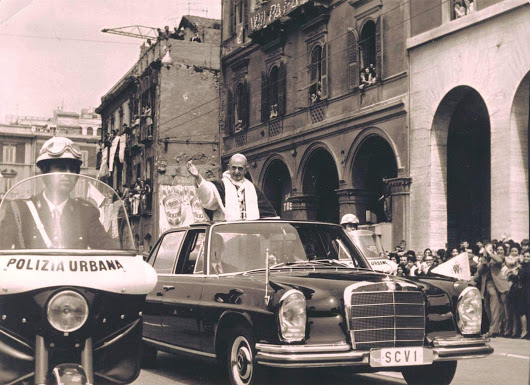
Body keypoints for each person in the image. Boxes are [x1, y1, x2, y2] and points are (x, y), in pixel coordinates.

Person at [0, 137, 116, 250]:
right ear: (45, 172)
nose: (68, 174)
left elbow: (110, 251)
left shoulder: (86, 212)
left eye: (73, 169)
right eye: (61, 168)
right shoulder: (20, 211)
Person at [186, 154, 277, 221]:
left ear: (246, 170)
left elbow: (268, 214)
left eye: (240, 168)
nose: (236, 172)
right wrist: (198, 177)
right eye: (234, 168)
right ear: (229, 167)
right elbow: (207, 198)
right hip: (226, 236)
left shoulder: (252, 188)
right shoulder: (221, 186)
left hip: (249, 237)